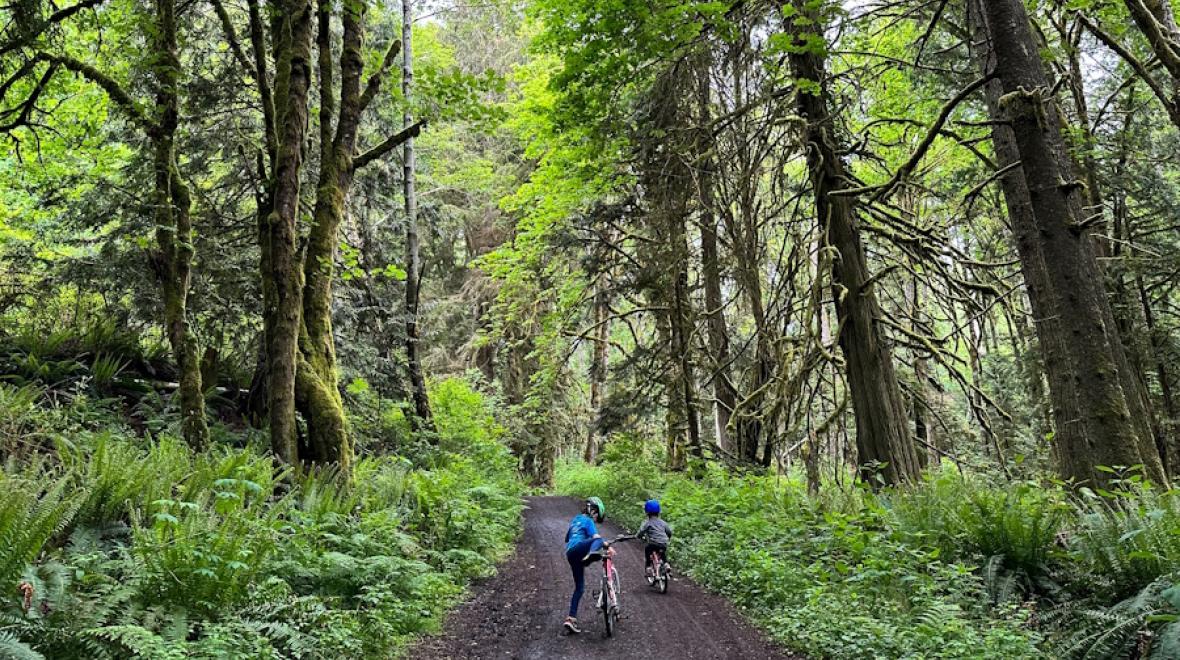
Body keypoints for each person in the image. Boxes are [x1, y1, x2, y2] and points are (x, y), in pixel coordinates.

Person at [563, 496, 606, 634]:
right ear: (592, 511)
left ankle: (571, 618)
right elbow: (595, 538)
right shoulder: (588, 521)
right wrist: (604, 545)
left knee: (579, 588)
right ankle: (592, 555)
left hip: (570, 553)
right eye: (596, 515)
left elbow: (567, 538)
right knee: (599, 540)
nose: (595, 519)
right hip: (580, 549)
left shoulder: (576, 520)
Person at [637, 499, 672, 578]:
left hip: (653, 543)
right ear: (658, 511)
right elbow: (669, 532)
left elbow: (641, 532)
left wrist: (638, 536)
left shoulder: (648, 523)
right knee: (662, 552)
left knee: (647, 549)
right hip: (664, 542)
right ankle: (666, 564)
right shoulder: (663, 522)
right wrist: (668, 538)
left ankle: (648, 567)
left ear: (647, 512)